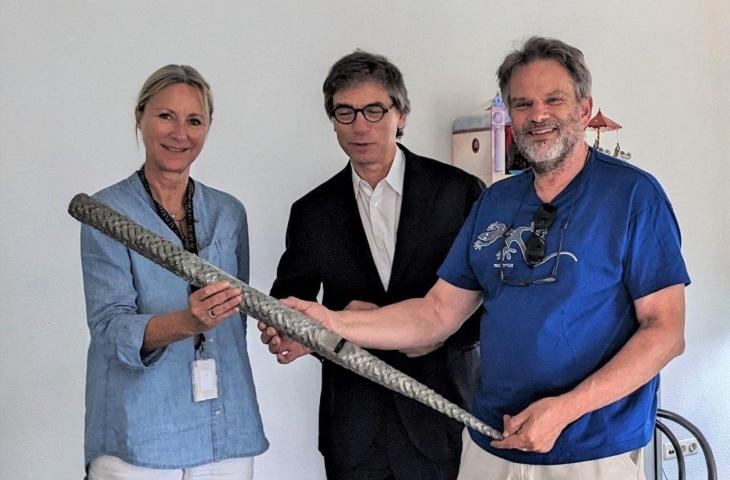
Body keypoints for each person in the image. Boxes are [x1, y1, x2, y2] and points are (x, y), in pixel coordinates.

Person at [275, 37, 690, 480]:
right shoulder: (495, 202)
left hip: (590, 450)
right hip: (490, 442)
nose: (538, 115)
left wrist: (565, 411)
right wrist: (330, 322)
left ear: (584, 109)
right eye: (523, 103)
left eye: (554, 99)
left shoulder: (633, 196)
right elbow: (435, 314)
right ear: (509, 115)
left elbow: (665, 333)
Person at [259, 51, 484, 479]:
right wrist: (286, 332)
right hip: (354, 429)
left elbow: (490, 301)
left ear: (401, 115)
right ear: (332, 121)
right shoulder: (311, 211)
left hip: (441, 418)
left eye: (374, 110)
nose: (360, 126)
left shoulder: (459, 193)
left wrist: (435, 335)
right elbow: (289, 305)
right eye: (345, 113)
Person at [80, 65, 268, 479]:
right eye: (166, 116)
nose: (179, 133)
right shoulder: (105, 213)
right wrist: (186, 321)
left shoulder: (229, 213)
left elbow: (237, 321)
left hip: (226, 425)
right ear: (140, 116)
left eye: (194, 120)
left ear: (207, 129)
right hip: (139, 430)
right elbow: (110, 329)